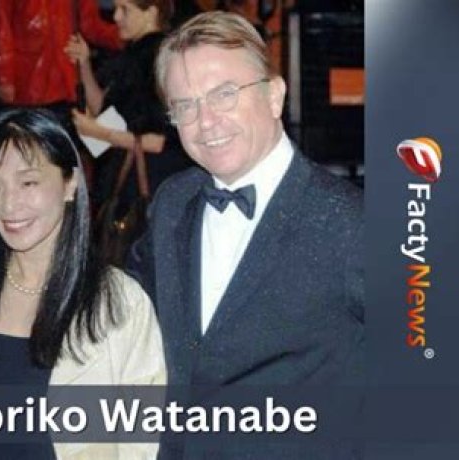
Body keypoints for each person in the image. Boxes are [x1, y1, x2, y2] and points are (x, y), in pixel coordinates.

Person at [129, 11, 363, 457]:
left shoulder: (350, 222)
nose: (206, 121)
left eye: (224, 94)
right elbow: (124, 305)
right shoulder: (173, 202)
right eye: (185, 105)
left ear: (274, 96)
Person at [0, 109, 165, 459]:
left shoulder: (118, 302)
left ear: (70, 184)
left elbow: (144, 439)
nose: (9, 204)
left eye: (28, 183)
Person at [64, 0, 192, 231]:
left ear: (151, 12)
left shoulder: (158, 60)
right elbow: (108, 112)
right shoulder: (137, 55)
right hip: (132, 181)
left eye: (125, 9)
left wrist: (99, 133)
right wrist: (84, 64)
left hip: (148, 185)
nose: (116, 17)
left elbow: (160, 141)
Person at [0, 0, 122, 125]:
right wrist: (4, 77)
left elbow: (90, 24)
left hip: (64, 76)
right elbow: (0, 25)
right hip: (29, 76)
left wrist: (125, 37)